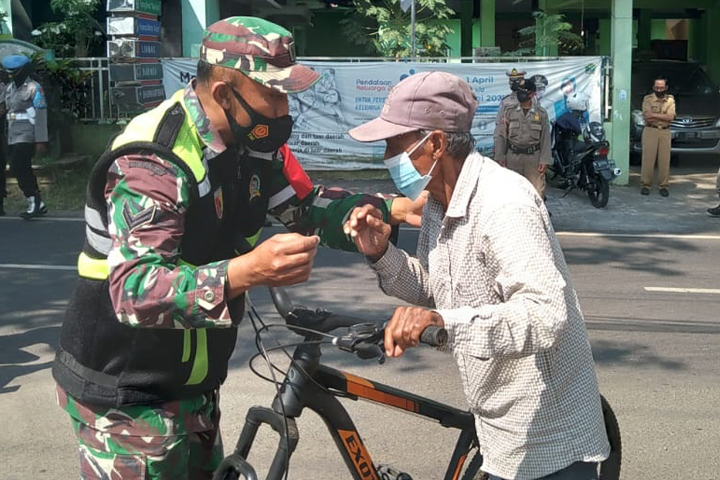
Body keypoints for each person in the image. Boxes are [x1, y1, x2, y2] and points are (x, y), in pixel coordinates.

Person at [52, 17, 421, 479]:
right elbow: (137, 292)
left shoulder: (253, 145)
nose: (284, 107)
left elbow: (305, 205)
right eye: (274, 93)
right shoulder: (153, 160)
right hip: (127, 394)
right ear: (225, 93)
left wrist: (386, 208)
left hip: (194, 385)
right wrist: (247, 271)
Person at [344, 71, 610, 480]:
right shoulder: (438, 202)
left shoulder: (504, 204)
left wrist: (441, 323)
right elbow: (437, 289)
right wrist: (381, 253)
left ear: (434, 143)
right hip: (500, 432)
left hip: (549, 443)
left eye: (393, 147)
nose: (385, 160)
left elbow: (544, 315)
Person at [0, 54, 48, 219]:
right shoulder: (9, 88)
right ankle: (37, 203)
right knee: (21, 168)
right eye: (9, 71)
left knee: (17, 166)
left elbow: (41, 116)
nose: (11, 74)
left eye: (14, 71)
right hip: (12, 134)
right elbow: (3, 109)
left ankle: (34, 199)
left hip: (28, 134)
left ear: (23, 70)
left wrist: (41, 139)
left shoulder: (34, 88)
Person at [494, 78, 551, 199]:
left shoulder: (541, 113)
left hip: (533, 159)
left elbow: (546, 137)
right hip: (513, 158)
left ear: (532, 93)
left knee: (536, 193)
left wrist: (544, 160)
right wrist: (500, 156)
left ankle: (536, 217)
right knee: (512, 192)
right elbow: (502, 135)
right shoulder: (509, 111)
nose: (520, 94)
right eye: (519, 91)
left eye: (524, 91)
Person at [640, 76, 675, 197]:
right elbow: (647, 117)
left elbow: (671, 117)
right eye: (657, 87)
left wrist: (654, 115)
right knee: (648, 159)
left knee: (664, 160)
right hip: (650, 130)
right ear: (653, 87)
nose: (659, 90)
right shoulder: (648, 99)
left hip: (665, 131)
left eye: (662, 87)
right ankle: (645, 185)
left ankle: (663, 186)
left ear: (666, 88)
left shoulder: (670, 100)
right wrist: (662, 115)